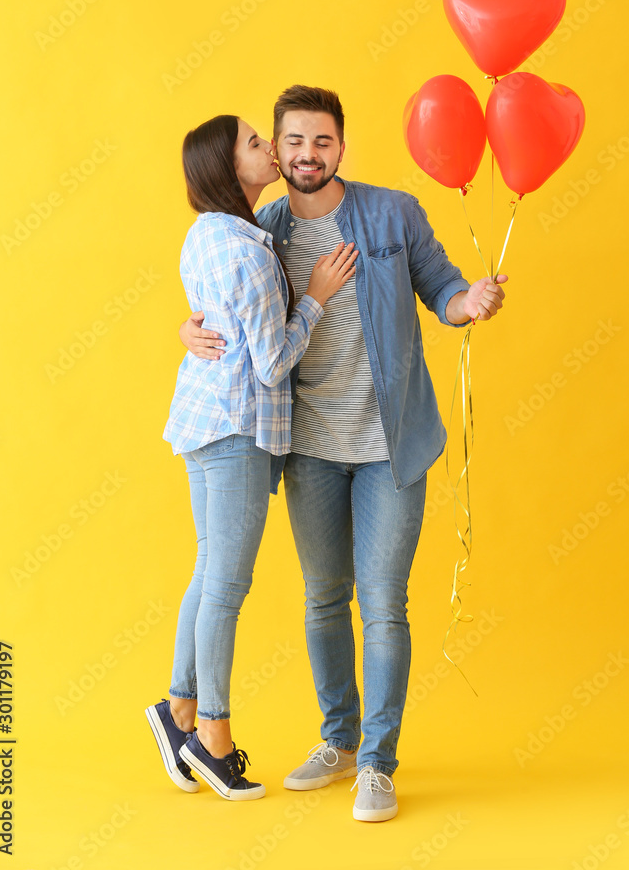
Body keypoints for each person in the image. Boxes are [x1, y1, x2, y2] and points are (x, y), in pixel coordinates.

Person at [180, 86, 508, 821]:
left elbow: (443, 289)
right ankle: (337, 742)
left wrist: (470, 302)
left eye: (320, 141)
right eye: (291, 141)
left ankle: (377, 764)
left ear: (340, 146)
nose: (305, 154)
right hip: (308, 450)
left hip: (391, 447)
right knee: (324, 599)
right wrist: (185, 328)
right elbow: (225, 305)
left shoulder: (392, 213)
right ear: (275, 148)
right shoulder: (260, 229)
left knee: (383, 606)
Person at [146, 113, 357, 802]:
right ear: (226, 166)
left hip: (204, 420)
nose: (270, 149)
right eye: (255, 143)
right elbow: (270, 361)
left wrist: (190, 327)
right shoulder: (244, 248)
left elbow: (210, 320)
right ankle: (213, 736)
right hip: (238, 427)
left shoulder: (210, 233)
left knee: (208, 573)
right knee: (226, 586)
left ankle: (178, 709)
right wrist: (317, 300)